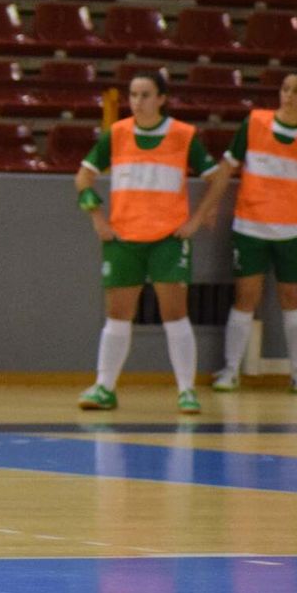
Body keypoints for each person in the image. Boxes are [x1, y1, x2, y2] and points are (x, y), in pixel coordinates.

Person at [75, 71, 230, 415]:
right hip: (123, 237)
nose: (138, 101)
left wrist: (198, 217)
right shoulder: (116, 134)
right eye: (133, 95)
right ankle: (105, 387)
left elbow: (217, 177)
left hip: (167, 238)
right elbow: (83, 177)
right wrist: (97, 218)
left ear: (162, 98)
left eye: (145, 94)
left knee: (175, 314)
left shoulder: (183, 135)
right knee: (117, 315)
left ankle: (186, 390)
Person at [213, 72, 297, 394]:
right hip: (250, 227)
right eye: (285, 89)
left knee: (293, 300)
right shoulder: (254, 124)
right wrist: (210, 206)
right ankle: (231, 370)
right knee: (246, 298)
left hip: (293, 231)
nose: (289, 95)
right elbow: (228, 166)